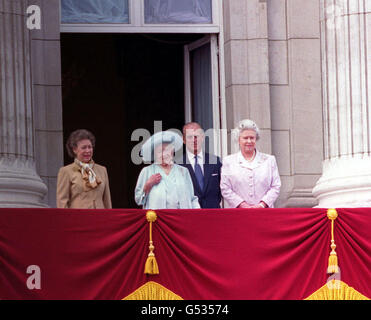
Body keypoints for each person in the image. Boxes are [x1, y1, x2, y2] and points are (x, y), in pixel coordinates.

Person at [220, 119, 281, 208]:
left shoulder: (269, 160)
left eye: (252, 138)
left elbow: (276, 186)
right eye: (245, 138)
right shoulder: (228, 162)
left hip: (265, 213)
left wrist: (262, 205)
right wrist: (242, 205)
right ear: (238, 139)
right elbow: (225, 188)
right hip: (239, 213)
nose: (249, 141)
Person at [135, 131, 200, 209]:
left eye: (166, 150)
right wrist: (148, 185)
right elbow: (138, 200)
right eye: (159, 151)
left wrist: (197, 215)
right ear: (155, 154)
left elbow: (192, 198)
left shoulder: (183, 171)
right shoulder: (147, 171)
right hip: (158, 218)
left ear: (172, 151)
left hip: (181, 218)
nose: (164, 154)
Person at [56, 129, 112, 209]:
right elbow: (62, 203)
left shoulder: (102, 170)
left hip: (100, 219)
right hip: (78, 219)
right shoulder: (65, 171)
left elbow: (107, 201)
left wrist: (109, 219)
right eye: (84, 147)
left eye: (90, 147)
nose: (88, 151)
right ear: (74, 150)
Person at [178, 122, 222, 208]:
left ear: (202, 137)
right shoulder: (178, 164)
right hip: (190, 215)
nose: (194, 140)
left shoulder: (215, 161)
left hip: (214, 215)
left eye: (197, 136)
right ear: (183, 140)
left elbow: (224, 187)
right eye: (190, 137)